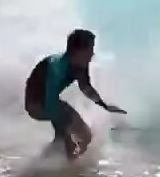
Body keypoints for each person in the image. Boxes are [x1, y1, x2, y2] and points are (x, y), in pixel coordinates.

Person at [24, 28, 125, 160]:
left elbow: (85, 87)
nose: (92, 55)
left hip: (52, 103)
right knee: (72, 140)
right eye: (90, 50)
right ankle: (66, 165)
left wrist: (104, 105)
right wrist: (65, 134)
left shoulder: (80, 65)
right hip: (36, 104)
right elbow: (49, 104)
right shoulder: (56, 68)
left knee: (84, 137)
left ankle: (53, 164)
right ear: (78, 52)